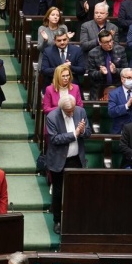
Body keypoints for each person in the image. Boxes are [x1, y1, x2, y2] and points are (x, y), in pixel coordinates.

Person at [46, 95, 90, 234]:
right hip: (59, 160)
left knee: (76, 191)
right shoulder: (52, 117)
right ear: (61, 108)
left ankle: (74, 219)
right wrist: (74, 133)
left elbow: (88, 133)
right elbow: (54, 139)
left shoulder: (80, 111)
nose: (71, 113)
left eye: (72, 110)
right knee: (58, 192)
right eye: (68, 111)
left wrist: (82, 131)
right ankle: (57, 221)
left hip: (76, 159)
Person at [87, 29, 128, 100]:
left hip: (118, 86)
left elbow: (126, 70)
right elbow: (90, 73)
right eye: (106, 42)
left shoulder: (120, 50)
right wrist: (100, 72)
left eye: (111, 40)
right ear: (100, 43)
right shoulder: (93, 53)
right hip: (99, 89)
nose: (110, 44)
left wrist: (116, 71)